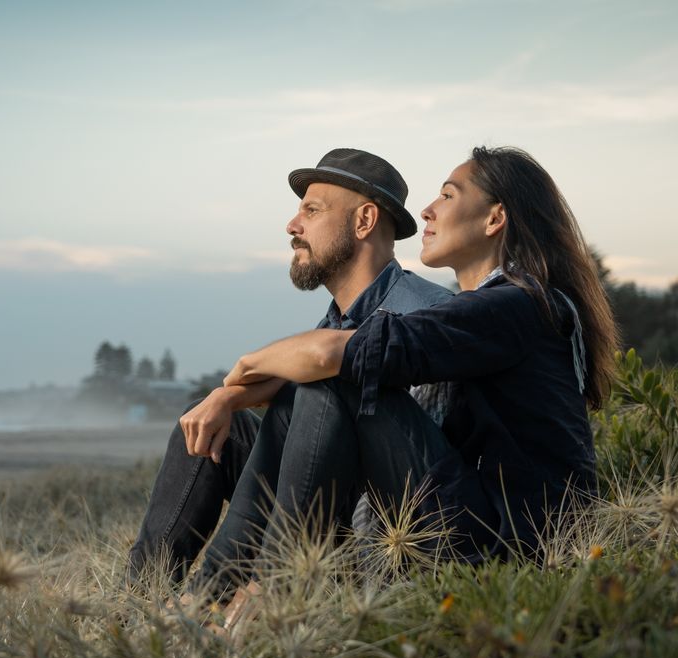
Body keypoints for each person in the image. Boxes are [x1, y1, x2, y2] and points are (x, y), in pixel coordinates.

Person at [200, 146, 617, 596]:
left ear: (494, 219)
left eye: (448, 196)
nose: (427, 210)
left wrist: (243, 367)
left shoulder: (515, 305)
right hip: (481, 527)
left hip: (507, 551)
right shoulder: (503, 307)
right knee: (312, 391)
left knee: (339, 382)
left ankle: (273, 590)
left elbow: (341, 354)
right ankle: (217, 593)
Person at [128, 148, 453, 588]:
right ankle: (139, 603)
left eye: (311, 211)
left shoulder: (421, 315)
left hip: (380, 536)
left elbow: (406, 460)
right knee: (202, 426)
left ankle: (225, 599)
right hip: (324, 504)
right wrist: (225, 396)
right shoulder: (338, 318)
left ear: (364, 221)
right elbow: (294, 378)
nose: (292, 226)